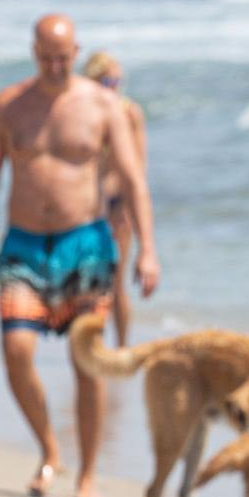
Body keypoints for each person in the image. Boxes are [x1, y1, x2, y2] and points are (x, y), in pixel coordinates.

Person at [0, 14, 159, 497]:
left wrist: (148, 252)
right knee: (16, 352)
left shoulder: (104, 106)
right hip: (24, 244)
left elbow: (135, 181)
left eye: (63, 57)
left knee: (86, 361)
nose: (54, 66)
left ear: (77, 53)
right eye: (46, 57)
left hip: (85, 244)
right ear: (33, 53)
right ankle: (50, 449)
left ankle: (88, 474)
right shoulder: (8, 106)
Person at [82, 51, 147, 347]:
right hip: (84, 206)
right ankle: (90, 347)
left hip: (117, 205)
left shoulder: (128, 112)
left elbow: (137, 168)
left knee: (116, 283)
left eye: (118, 81)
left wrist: (128, 208)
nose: (114, 87)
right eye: (108, 81)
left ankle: (121, 348)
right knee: (88, 285)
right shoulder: (80, 111)